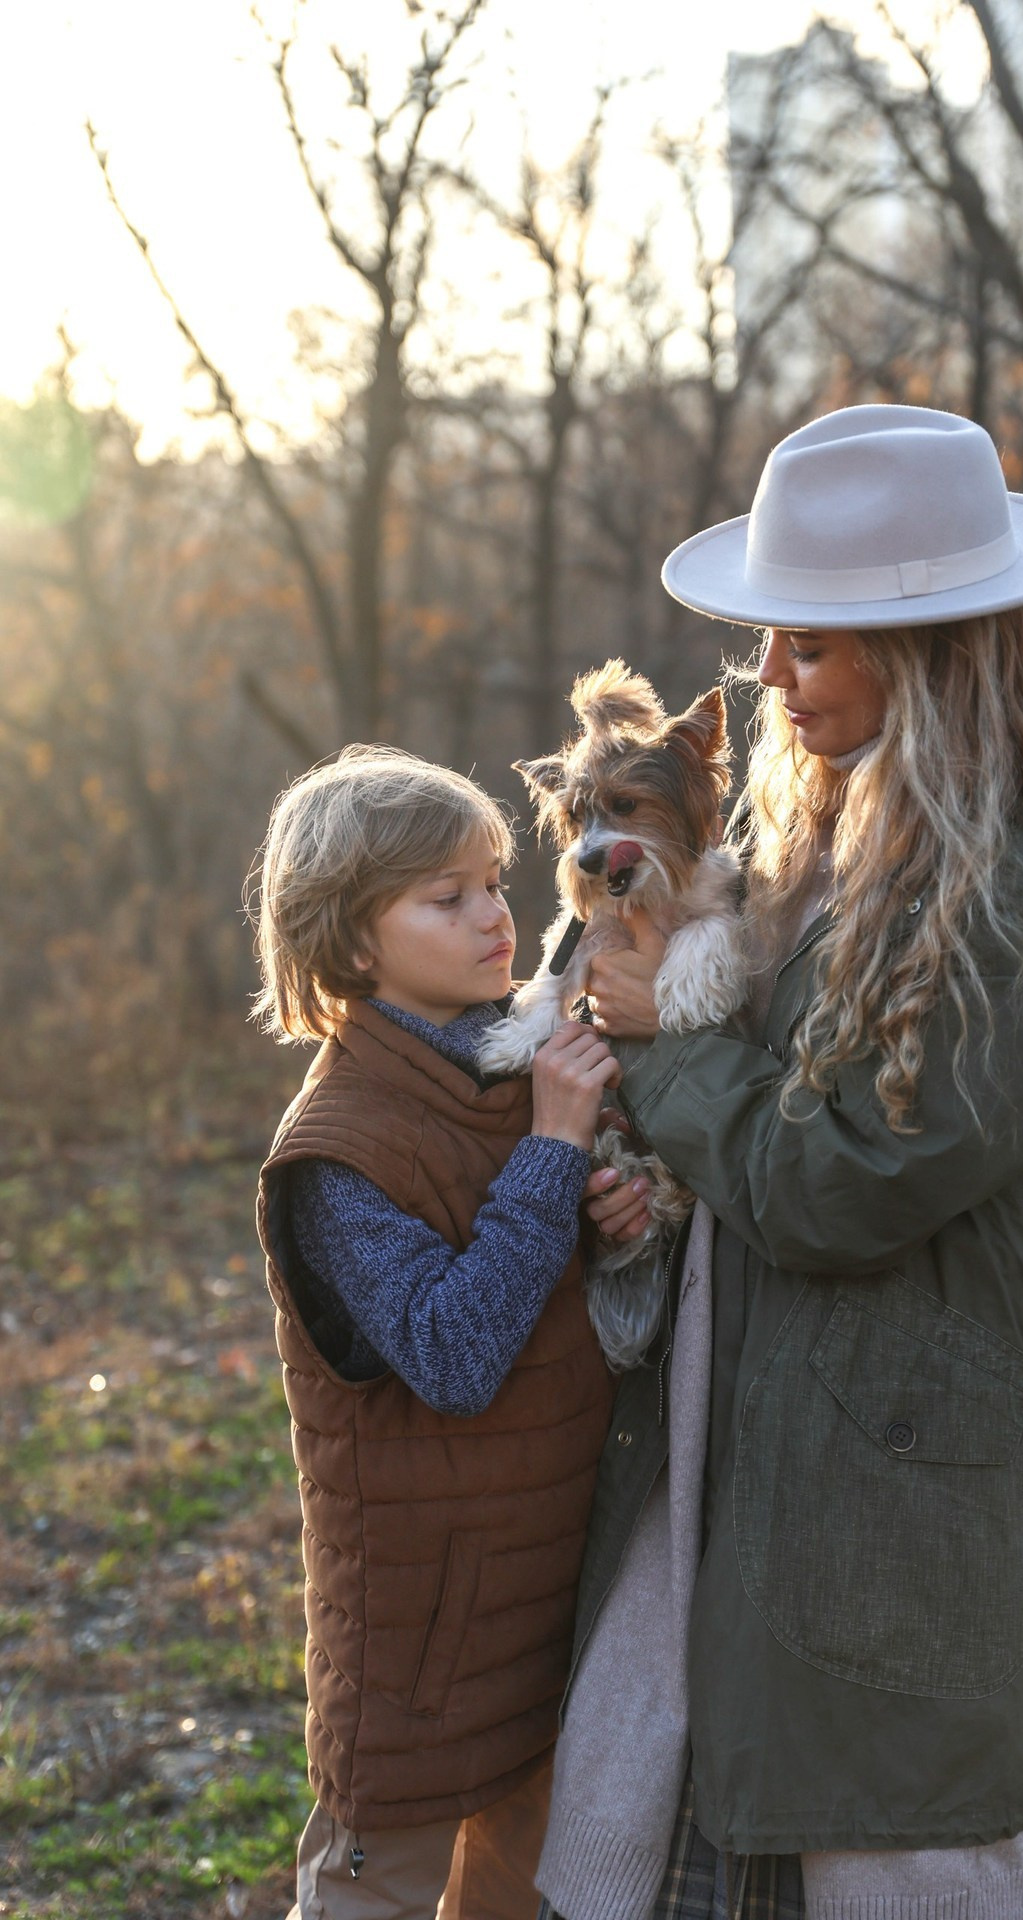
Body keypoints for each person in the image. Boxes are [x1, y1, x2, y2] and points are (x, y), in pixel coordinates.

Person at [535, 405, 1023, 1920]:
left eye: (811, 645)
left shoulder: (1013, 901)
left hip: (897, 1532)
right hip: (763, 1482)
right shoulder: (835, 848)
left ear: (938, 655)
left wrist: (669, 1045)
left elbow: (843, 1185)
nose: (769, 675)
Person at [248, 745, 626, 1920]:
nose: (493, 921)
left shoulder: (508, 1059)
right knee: (378, 1895)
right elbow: (453, 1353)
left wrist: (599, 1216)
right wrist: (557, 1150)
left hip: (547, 1598)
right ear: (354, 942)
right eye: (444, 898)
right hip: (423, 1635)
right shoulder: (336, 1149)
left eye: (494, 885)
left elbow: (524, 1266)